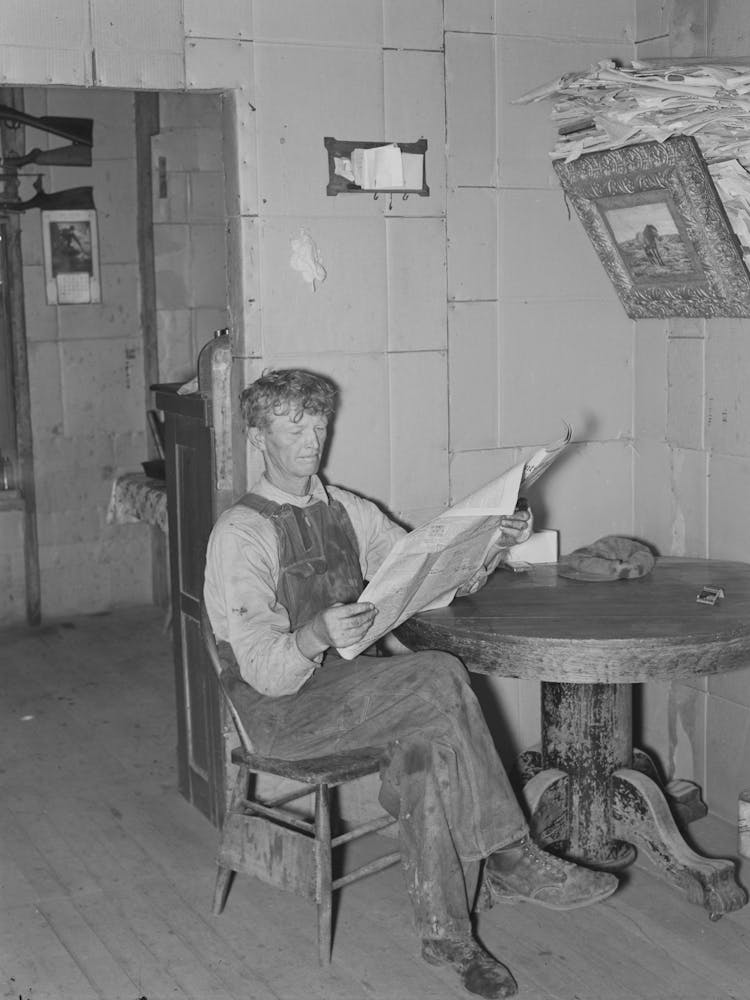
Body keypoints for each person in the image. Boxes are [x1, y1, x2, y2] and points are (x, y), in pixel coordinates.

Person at [204, 369, 618, 1000]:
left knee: (424, 745)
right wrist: (315, 633)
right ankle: (508, 851)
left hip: (355, 693)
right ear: (258, 436)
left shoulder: (345, 509)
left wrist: (489, 546)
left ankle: (448, 935)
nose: (312, 438)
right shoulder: (241, 533)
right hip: (280, 710)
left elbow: (425, 573)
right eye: (293, 426)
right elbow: (262, 669)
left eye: (319, 423)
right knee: (437, 676)